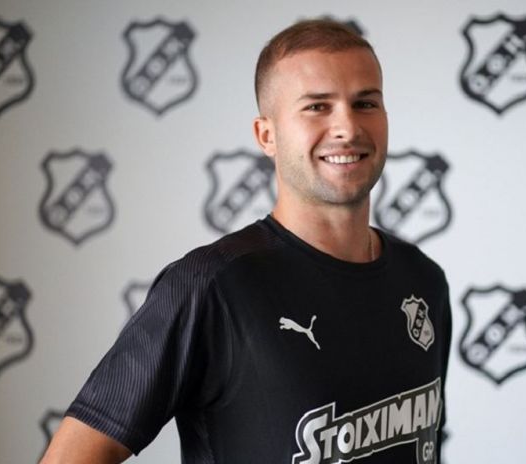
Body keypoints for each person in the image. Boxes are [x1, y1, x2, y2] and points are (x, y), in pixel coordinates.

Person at [41, 19, 451, 464]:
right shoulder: (210, 286)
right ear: (266, 135)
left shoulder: (423, 279)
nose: (347, 127)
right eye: (317, 107)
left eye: (365, 103)